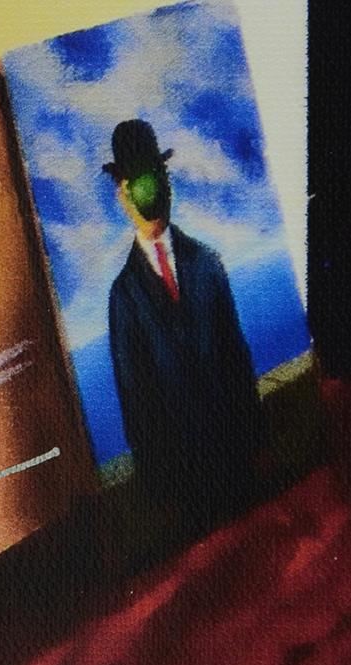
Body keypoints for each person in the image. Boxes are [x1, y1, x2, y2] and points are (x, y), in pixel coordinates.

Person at [104, 119, 264, 523]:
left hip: (240, 466)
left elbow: (237, 359)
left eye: (159, 176)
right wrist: (163, 493)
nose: (153, 192)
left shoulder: (207, 264)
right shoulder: (124, 297)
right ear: (122, 193)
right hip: (185, 492)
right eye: (139, 183)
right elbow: (136, 404)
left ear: (167, 180)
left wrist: (256, 444)